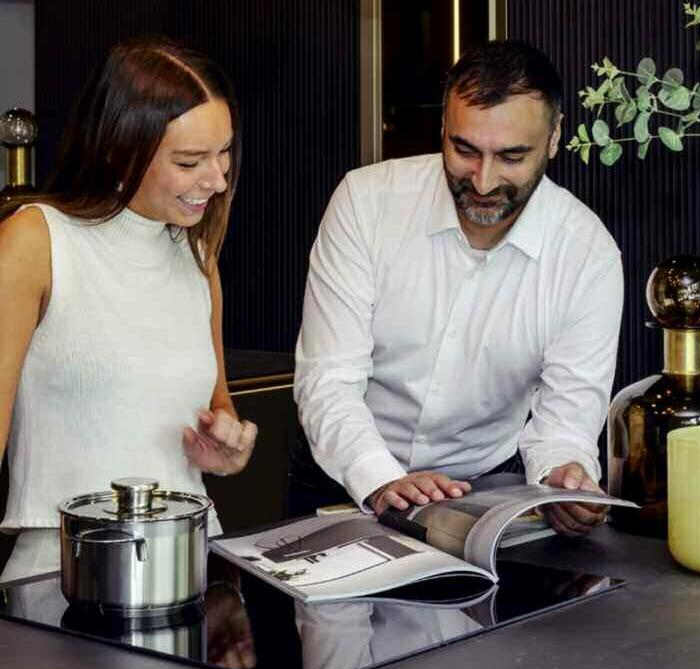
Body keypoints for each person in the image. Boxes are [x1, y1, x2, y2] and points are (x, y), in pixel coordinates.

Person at [293, 40, 624, 536]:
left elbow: (565, 425)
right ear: (443, 127)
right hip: (342, 476)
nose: (484, 182)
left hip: (483, 491)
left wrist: (564, 477)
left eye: (512, 156)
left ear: (555, 137)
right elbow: (329, 378)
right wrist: (381, 479)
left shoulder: (587, 254)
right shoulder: (365, 202)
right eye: (465, 150)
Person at [0, 38, 257, 582]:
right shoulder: (36, 240)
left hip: (190, 562)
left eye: (224, 152)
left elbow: (218, 404)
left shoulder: (197, 254)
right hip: (61, 570)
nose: (217, 179)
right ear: (118, 151)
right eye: (189, 162)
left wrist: (228, 444)